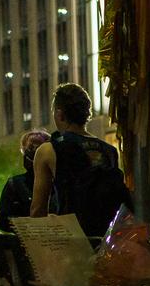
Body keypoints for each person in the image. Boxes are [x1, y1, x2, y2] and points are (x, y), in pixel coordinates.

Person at [31, 83, 131, 236]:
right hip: (105, 240)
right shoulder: (109, 151)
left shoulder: (48, 150)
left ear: (59, 114)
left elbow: (38, 210)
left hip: (71, 240)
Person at [0, 129, 51, 232]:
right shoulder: (14, 184)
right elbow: (3, 221)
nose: (33, 152)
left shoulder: (59, 183)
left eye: (39, 148)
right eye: (30, 148)